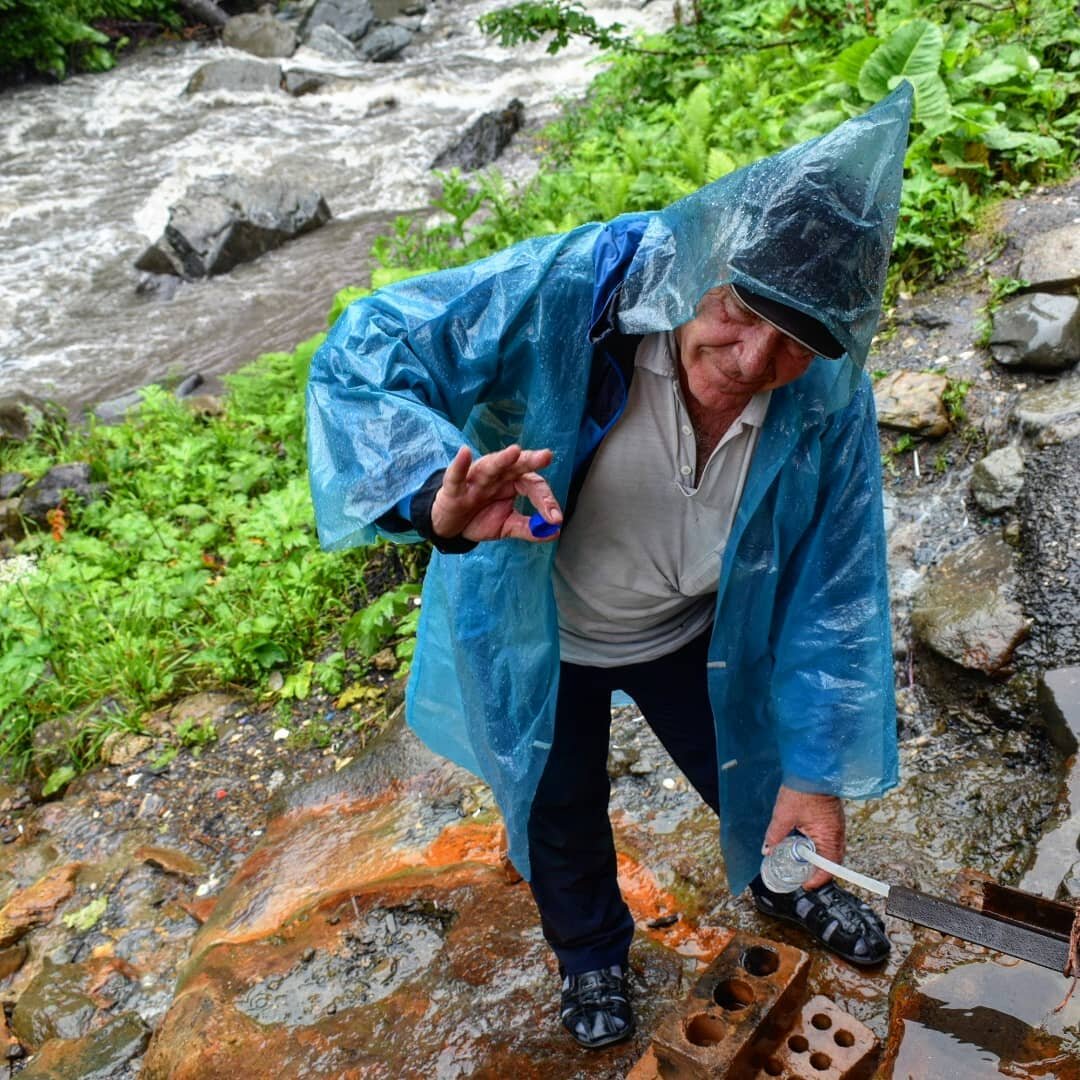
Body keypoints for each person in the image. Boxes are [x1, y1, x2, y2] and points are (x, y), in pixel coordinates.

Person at [307, 84, 913, 1050]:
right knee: (559, 805)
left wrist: (815, 774)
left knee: (755, 770)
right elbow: (366, 348)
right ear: (709, 258)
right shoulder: (579, 292)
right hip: (544, 626)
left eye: (798, 340)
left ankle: (788, 882)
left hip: (696, 626)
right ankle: (590, 954)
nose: (755, 359)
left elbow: (833, 593)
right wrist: (430, 489)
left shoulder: (828, 395)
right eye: (743, 309)